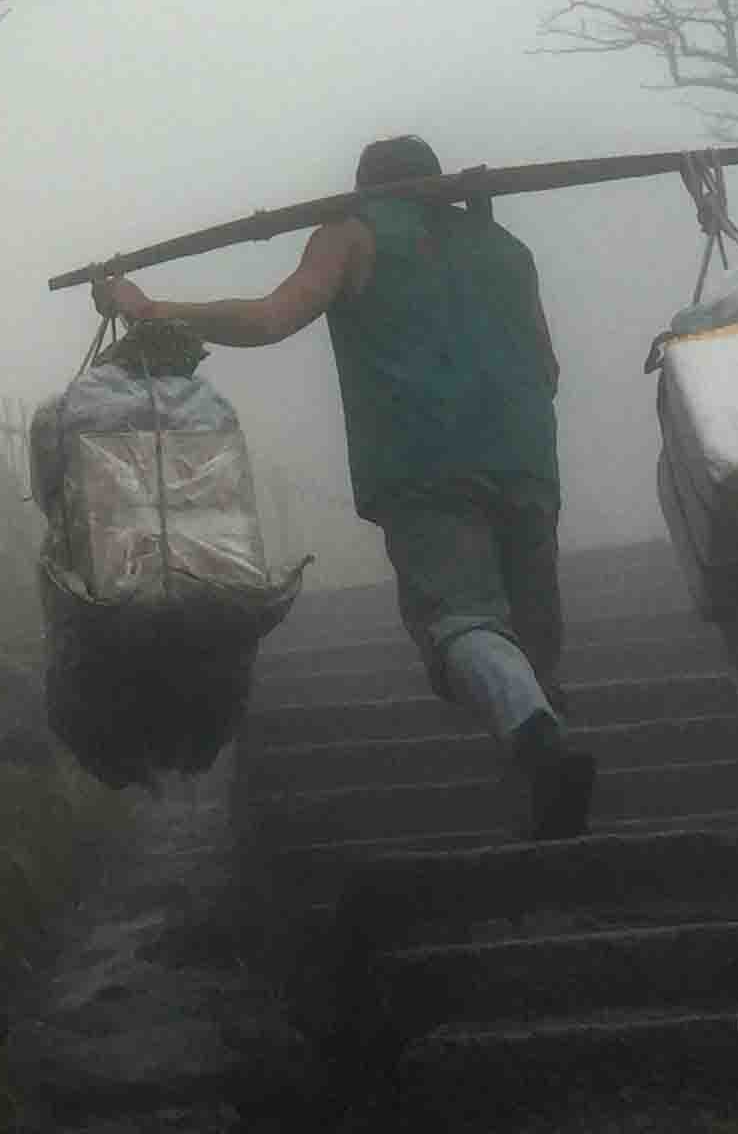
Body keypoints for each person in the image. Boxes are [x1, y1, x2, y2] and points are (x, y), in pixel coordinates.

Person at [99, 132, 597, 839]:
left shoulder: (350, 236)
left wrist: (154, 312)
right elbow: (548, 367)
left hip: (425, 463)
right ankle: (542, 757)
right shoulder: (506, 248)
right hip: (525, 459)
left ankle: (541, 747)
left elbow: (273, 317)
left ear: (365, 188)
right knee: (531, 633)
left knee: (462, 620)